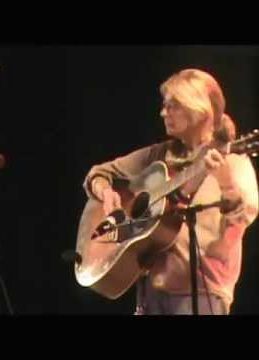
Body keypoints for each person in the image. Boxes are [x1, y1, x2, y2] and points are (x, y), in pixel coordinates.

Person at [83, 69, 258, 315]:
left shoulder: (233, 160)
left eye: (173, 106)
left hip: (201, 292)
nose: (163, 112)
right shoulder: (157, 156)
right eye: (165, 105)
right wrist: (105, 192)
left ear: (197, 109)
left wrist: (226, 183)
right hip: (150, 293)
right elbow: (98, 173)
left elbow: (241, 218)